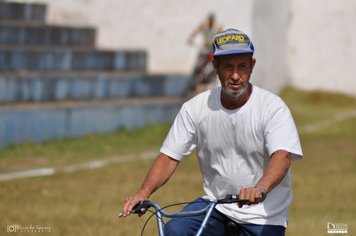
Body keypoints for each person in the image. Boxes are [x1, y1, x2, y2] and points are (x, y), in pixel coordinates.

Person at [121, 28, 303, 236]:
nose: (235, 75)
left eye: (242, 67)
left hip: (263, 215)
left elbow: (282, 156)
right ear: (215, 66)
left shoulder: (272, 108)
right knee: (175, 230)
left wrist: (260, 188)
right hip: (216, 207)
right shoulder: (195, 108)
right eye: (228, 67)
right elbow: (170, 156)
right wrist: (143, 192)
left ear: (252, 66)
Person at [185, 13, 223, 96]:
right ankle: (193, 85)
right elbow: (196, 31)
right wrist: (190, 39)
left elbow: (222, 37)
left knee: (209, 69)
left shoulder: (217, 27)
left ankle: (206, 84)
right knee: (198, 66)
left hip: (212, 49)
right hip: (205, 48)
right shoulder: (203, 25)